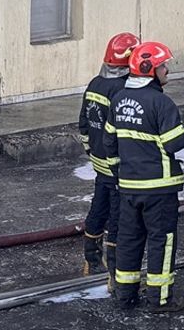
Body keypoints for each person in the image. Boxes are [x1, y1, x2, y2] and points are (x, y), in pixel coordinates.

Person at [105, 41, 184, 312]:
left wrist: (120, 174)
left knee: (129, 240)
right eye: (163, 66)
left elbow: (109, 142)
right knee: (161, 242)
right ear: (149, 69)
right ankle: (160, 299)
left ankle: (125, 296)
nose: (168, 71)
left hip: (128, 187)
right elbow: (175, 143)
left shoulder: (118, 99)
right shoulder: (161, 103)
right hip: (159, 188)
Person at [78, 32, 139, 285]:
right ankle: (114, 273)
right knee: (118, 216)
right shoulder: (122, 89)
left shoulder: (94, 83)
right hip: (117, 163)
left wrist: (91, 151)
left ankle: (91, 261)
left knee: (99, 207)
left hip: (99, 160)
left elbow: (83, 123)